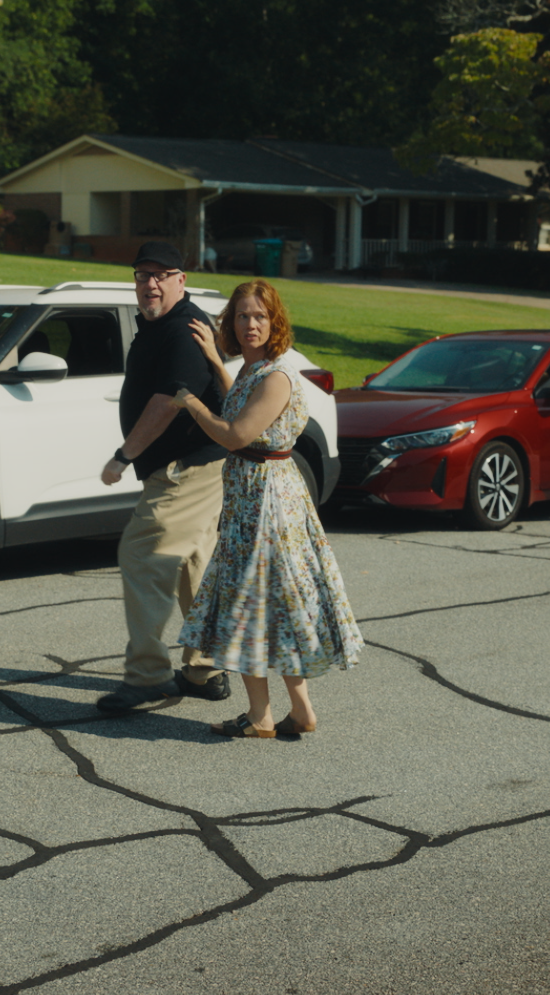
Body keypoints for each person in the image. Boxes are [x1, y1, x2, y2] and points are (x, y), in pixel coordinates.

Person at [172, 280, 362, 738]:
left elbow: (236, 434)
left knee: (247, 607)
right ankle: (299, 712)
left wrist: (190, 403)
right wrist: (218, 365)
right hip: (252, 502)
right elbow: (240, 400)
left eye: (260, 316)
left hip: (265, 507)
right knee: (268, 608)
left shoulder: (277, 376)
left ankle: (262, 717)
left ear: (275, 321)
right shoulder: (254, 371)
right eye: (242, 316)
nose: (251, 324)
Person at [96, 241, 233, 713]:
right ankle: (204, 669)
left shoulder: (183, 330)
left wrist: (122, 455)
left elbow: (168, 401)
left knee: (142, 554)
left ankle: (149, 676)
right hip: (195, 467)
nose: (149, 284)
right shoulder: (160, 325)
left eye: (160, 275)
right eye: (141, 275)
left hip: (186, 470)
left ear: (181, 280)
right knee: (193, 565)